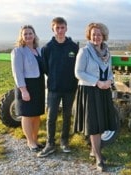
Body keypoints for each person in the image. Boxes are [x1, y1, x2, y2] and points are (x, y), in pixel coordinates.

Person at [73, 22, 117, 172]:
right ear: (89, 36)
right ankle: (98, 158)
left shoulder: (107, 52)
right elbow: (78, 72)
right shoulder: (84, 52)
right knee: (94, 126)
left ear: (103, 36)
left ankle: (94, 151)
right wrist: (97, 82)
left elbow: (110, 71)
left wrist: (110, 81)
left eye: (99, 34)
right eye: (93, 35)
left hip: (104, 91)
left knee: (102, 123)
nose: (96, 37)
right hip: (90, 91)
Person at [37, 17, 79, 157]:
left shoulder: (73, 47)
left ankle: (64, 141)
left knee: (67, 116)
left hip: (70, 88)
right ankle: (50, 144)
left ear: (66, 28)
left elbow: (76, 68)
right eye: (57, 28)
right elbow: (46, 68)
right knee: (51, 117)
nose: (60, 30)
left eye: (62, 27)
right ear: (53, 29)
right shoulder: (47, 48)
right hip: (54, 88)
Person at [11, 25, 45, 152]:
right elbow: (17, 72)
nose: (28, 36)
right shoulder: (18, 51)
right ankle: (30, 142)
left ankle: (35, 139)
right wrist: (23, 90)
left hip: (38, 85)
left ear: (34, 35)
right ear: (21, 36)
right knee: (27, 115)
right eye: (25, 34)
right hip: (26, 85)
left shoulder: (39, 50)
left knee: (36, 115)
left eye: (30, 33)